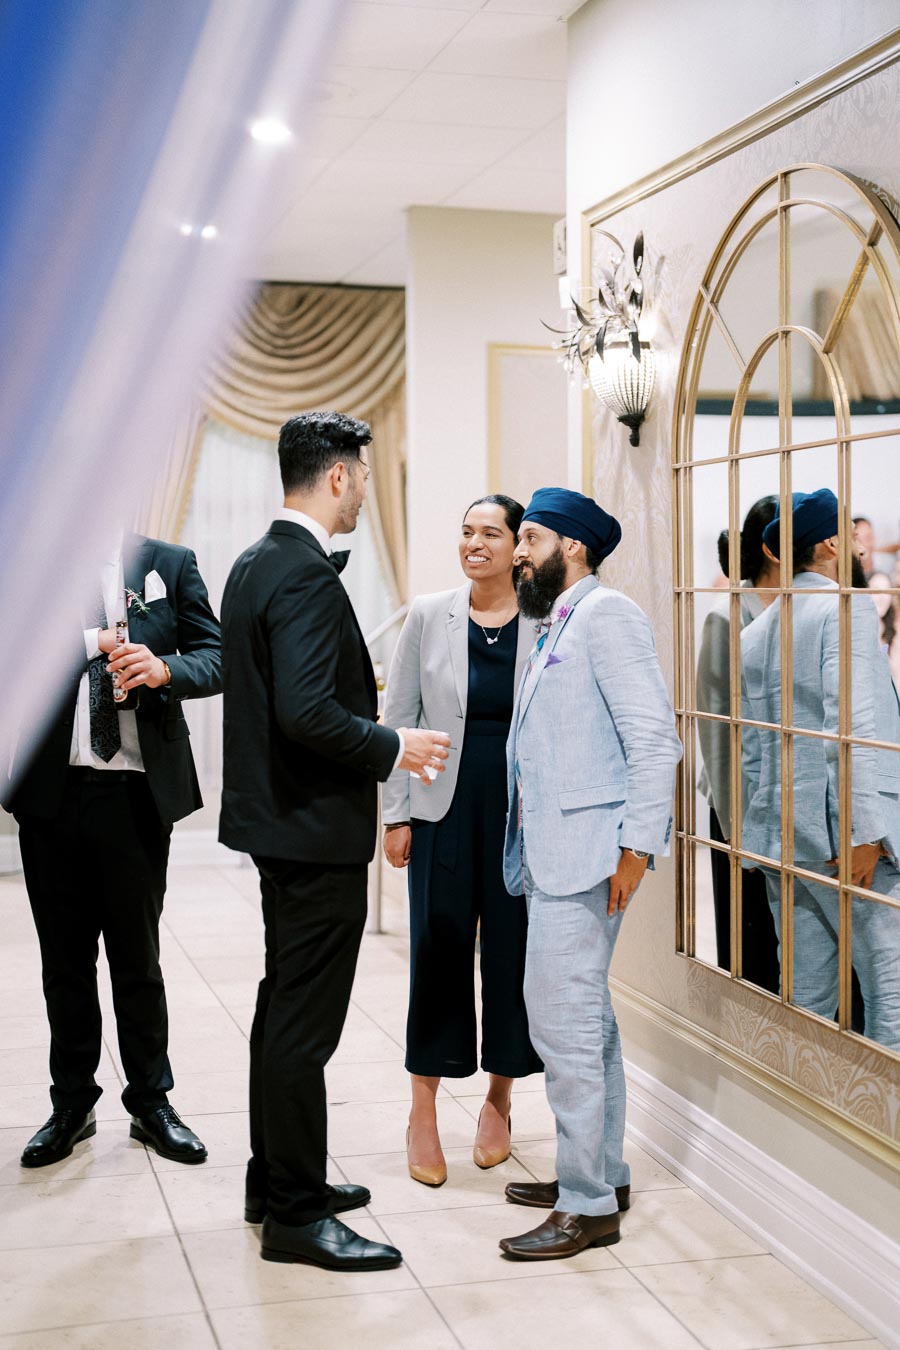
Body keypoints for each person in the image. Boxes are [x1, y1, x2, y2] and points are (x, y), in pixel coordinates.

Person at [219, 411, 450, 1271]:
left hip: (274, 822)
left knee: (280, 1009)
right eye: (362, 472)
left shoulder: (254, 562)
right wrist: (396, 742)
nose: (362, 490)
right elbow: (307, 712)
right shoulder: (306, 576)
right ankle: (295, 1216)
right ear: (342, 477)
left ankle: (276, 1180)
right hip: (310, 829)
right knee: (302, 1030)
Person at [497, 487, 682, 1260]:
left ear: (571, 546)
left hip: (590, 858)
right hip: (553, 853)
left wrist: (636, 851)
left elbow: (654, 741)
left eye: (529, 537)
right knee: (588, 1020)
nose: (516, 552)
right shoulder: (552, 621)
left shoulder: (609, 616)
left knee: (562, 1023)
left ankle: (587, 1204)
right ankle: (602, 1172)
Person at [4, 532, 222, 1167]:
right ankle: (71, 1102)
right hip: (52, 792)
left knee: (138, 957)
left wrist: (164, 669)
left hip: (136, 797)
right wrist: (88, 646)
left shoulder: (168, 563)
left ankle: (151, 1100)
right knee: (64, 963)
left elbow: (215, 656)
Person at [382, 495, 543, 1188]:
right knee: (438, 951)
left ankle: (499, 1102)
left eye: (491, 534)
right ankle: (422, 1112)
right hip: (440, 805)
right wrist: (394, 815)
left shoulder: (546, 618)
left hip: (519, 813)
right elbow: (399, 717)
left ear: (517, 548)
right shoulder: (428, 613)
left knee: (511, 955)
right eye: (467, 531)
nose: (475, 543)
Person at [741, 490, 900, 1049]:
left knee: (804, 1000)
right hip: (849, 842)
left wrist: (756, 836)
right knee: (892, 996)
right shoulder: (846, 605)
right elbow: (849, 727)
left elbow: (755, 750)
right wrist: (863, 832)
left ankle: (802, 1135)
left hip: (786, 836)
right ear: (832, 543)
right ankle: (882, 1135)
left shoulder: (757, 630)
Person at [696, 496, 780, 992]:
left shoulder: (805, 606)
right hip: (739, 806)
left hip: (786, 806)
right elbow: (716, 733)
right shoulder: (727, 617)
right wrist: (737, 833)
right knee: (748, 945)